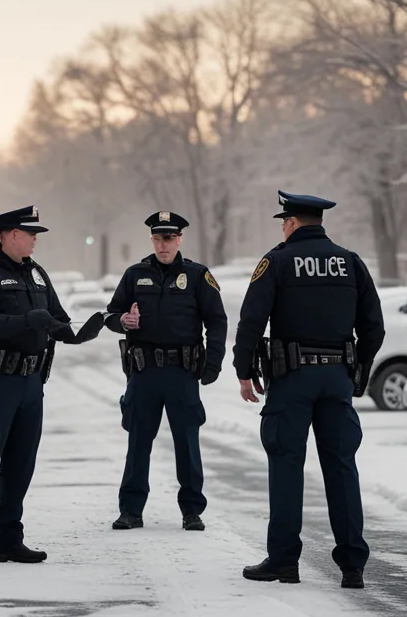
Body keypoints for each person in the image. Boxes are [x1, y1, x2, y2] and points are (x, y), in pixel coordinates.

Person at [231, 191, 385, 589]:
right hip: (337, 378)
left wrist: (244, 370)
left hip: (292, 379)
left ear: (292, 223)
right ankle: (353, 566)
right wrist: (358, 368)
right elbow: (374, 327)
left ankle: (284, 562)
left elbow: (252, 319)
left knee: (286, 466)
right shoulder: (349, 262)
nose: (282, 229)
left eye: (283, 222)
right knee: (341, 468)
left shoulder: (277, 261)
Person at [0, 205, 104, 569]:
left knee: (21, 464)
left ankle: (7, 540)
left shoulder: (37, 275)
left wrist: (77, 333)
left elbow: (55, 318)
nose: (36, 239)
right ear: (10, 234)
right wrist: (25, 322)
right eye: (30, 233)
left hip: (31, 383)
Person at [104, 211, 228, 532]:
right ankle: (131, 510)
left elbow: (217, 321)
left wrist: (212, 363)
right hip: (144, 372)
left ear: (180, 240)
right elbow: (112, 313)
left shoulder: (198, 276)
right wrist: (122, 321)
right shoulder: (135, 275)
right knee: (138, 442)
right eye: (158, 239)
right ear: (152, 240)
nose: (163, 245)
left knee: (187, 442)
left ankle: (191, 510)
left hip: (181, 373)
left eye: (169, 239)